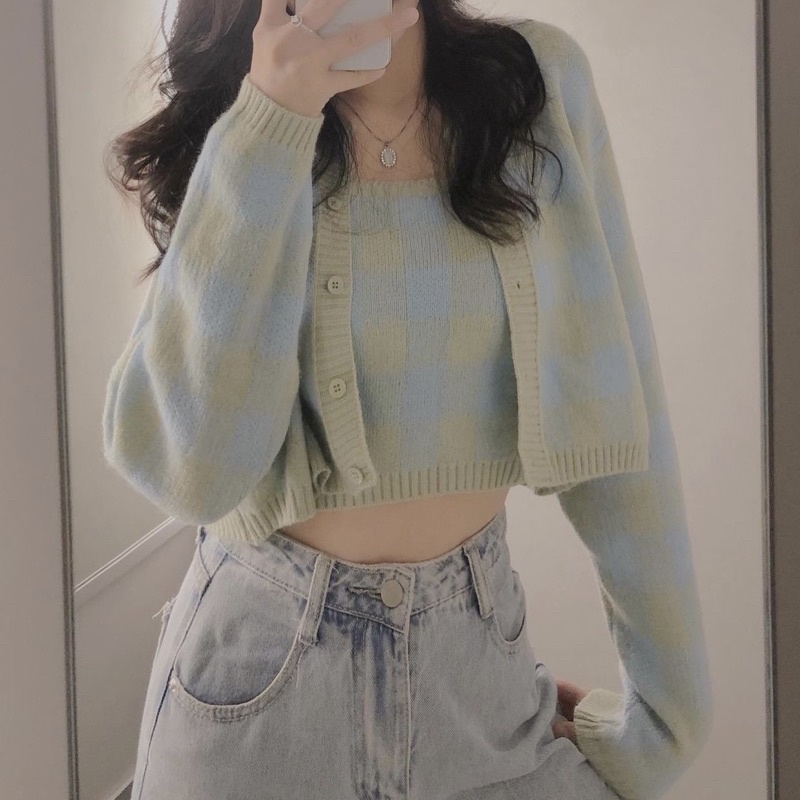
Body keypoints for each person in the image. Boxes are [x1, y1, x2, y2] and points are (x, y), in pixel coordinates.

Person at [103, 1, 713, 798]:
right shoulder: (233, 109)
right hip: (256, 698)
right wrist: (271, 120)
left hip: (481, 691)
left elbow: (622, 411)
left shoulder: (535, 85)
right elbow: (193, 472)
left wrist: (669, 719)